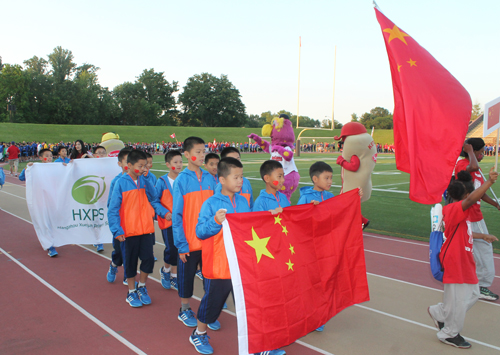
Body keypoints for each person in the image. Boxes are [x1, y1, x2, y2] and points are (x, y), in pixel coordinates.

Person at [189, 158, 256, 355]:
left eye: (241, 176)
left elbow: (251, 226)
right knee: (213, 304)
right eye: (236, 177)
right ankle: (199, 333)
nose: (240, 181)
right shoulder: (211, 203)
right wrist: (215, 221)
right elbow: (200, 231)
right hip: (219, 265)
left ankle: (256, 344)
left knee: (248, 304)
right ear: (222, 180)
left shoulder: (243, 201)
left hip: (241, 264)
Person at [428, 169, 498, 349]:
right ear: (466, 194)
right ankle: (449, 333)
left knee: (473, 294)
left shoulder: (460, 214)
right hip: (455, 261)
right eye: (470, 193)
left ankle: (441, 312)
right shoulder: (452, 210)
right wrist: (489, 182)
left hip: (464, 260)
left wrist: (483, 236)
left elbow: (464, 232)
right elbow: (471, 200)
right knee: (458, 300)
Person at [108, 149, 169, 308]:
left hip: (147, 230)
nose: (144, 169)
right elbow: (113, 209)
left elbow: (154, 200)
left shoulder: (146, 182)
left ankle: (142, 286)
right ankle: (131, 291)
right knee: (130, 262)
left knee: (148, 259)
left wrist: (164, 213)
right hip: (128, 232)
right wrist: (117, 230)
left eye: (146, 166)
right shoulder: (121, 183)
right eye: (141, 166)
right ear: (129, 166)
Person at [172, 137, 218, 328]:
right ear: (187, 154)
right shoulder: (181, 181)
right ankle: (184, 309)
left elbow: (217, 206)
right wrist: (181, 244)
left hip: (209, 241)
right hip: (189, 242)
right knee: (186, 277)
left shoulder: (210, 179)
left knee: (210, 278)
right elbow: (177, 215)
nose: (202, 155)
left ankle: (206, 313)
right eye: (198, 151)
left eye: (203, 151)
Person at [454, 139, 499, 301]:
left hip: (476, 215)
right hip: (469, 215)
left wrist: (495, 204)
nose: (482, 156)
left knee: (478, 251)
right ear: (471, 151)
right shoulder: (463, 164)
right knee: (483, 251)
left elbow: (480, 191)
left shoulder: (476, 168)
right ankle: (481, 286)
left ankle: (474, 283)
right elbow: (472, 167)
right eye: (480, 153)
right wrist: (471, 151)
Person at [19, 149, 58, 257]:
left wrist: (65, 167)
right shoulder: (35, 168)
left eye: (51, 156)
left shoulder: (56, 167)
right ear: (40, 158)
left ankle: (52, 240)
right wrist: (27, 168)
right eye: (47, 156)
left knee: (53, 222)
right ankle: (50, 246)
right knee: (44, 222)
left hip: (53, 200)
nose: (50, 158)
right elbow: (21, 177)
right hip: (40, 201)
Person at [156, 150, 183, 291]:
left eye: (181, 161)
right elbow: (155, 201)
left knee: (180, 248)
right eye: (175, 162)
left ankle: (174, 275)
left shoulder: (184, 179)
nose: (179, 165)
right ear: (168, 164)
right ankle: (165, 270)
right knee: (171, 249)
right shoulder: (162, 182)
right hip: (168, 222)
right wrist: (164, 212)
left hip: (182, 222)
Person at [106, 148, 132, 285]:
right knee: (119, 252)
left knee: (131, 252)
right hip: (121, 223)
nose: (129, 164)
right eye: (126, 161)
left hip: (134, 224)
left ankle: (128, 275)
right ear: (120, 163)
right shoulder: (116, 181)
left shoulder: (139, 179)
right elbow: (111, 205)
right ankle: (114, 265)